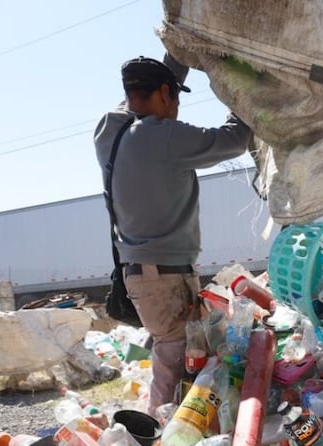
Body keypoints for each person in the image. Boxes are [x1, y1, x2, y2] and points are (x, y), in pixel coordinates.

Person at [94, 55, 252, 412]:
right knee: (174, 358)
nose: (178, 107)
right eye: (176, 97)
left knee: (186, 353)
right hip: (164, 278)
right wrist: (241, 92)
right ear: (164, 94)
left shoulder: (110, 129)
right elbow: (235, 139)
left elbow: (142, 93)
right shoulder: (164, 137)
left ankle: (179, 424)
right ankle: (158, 440)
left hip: (143, 275)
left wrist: (177, 56)